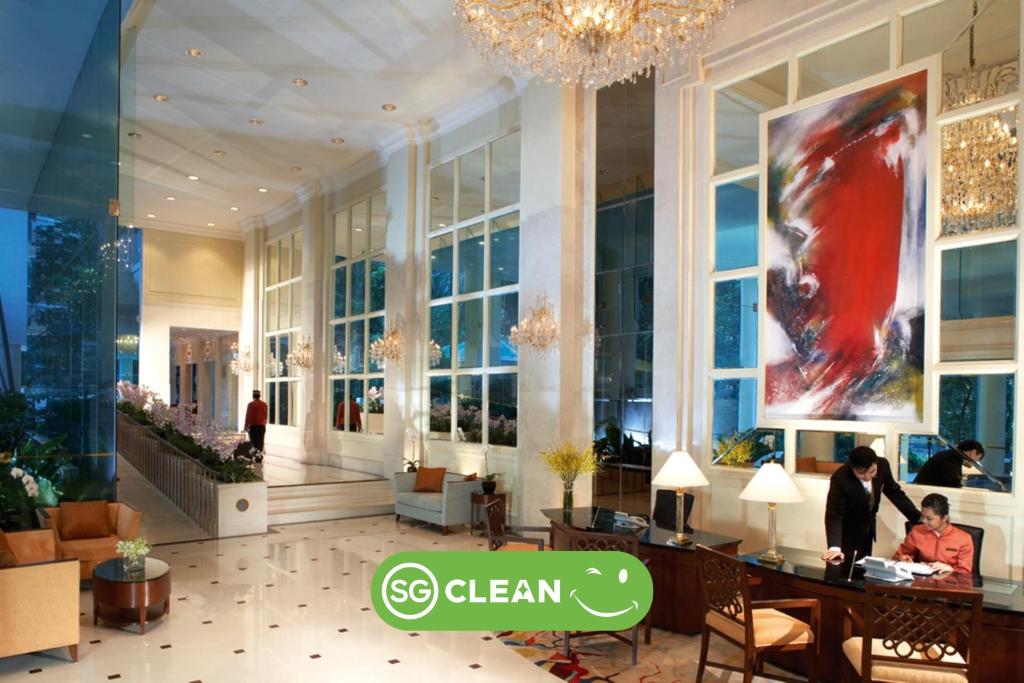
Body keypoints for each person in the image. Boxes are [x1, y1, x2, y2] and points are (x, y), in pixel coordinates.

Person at [822, 446, 920, 562]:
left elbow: (894, 492)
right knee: (845, 569)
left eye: (872, 471)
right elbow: (834, 515)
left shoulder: (883, 465)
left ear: (875, 463)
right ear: (852, 468)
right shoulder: (840, 478)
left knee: (864, 568)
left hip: (868, 529)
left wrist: (918, 518)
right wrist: (834, 547)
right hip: (847, 531)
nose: (868, 477)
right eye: (861, 474)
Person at [894, 492, 974, 575]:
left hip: (949, 583)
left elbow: (965, 572)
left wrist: (950, 568)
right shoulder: (917, 531)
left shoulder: (964, 539)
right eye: (922, 516)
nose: (924, 521)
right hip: (922, 582)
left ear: (944, 518)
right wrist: (902, 559)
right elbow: (898, 556)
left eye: (929, 519)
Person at [913, 440, 984, 489]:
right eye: (976, 459)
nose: (975, 463)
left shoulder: (949, 455)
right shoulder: (951, 458)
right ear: (973, 452)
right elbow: (953, 483)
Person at [244, 389, 268, 456]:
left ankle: (254, 455)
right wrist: (264, 424)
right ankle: (259, 455)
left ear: (253, 396)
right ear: (259, 396)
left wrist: (246, 426)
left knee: (254, 442)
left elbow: (248, 416)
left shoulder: (251, 404)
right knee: (261, 442)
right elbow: (266, 416)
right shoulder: (264, 404)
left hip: (253, 427)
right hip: (262, 426)